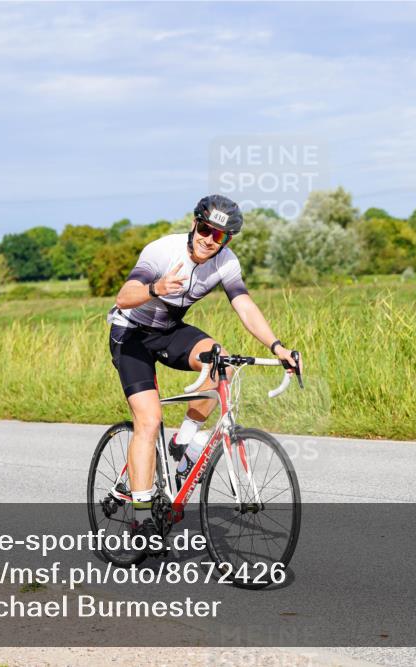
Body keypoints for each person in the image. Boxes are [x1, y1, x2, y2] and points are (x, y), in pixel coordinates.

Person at [107, 194, 300, 537]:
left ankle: (183, 443)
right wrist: (157, 288)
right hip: (132, 335)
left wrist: (277, 346)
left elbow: (244, 306)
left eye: (219, 236)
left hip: (168, 331)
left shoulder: (225, 261)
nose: (209, 240)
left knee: (220, 361)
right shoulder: (162, 251)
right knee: (149, 420)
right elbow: (124, 297)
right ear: (195, 222)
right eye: (205, 229)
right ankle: (140, 516)